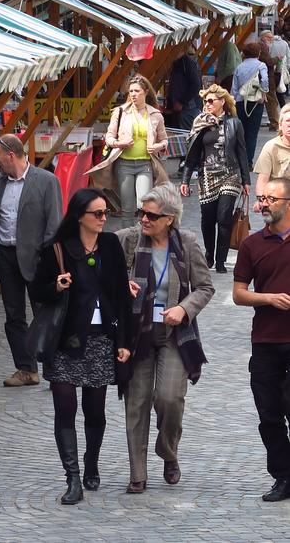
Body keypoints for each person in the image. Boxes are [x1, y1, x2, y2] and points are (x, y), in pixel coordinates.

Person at [28, 188, 134, 505]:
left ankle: (91, 462)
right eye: (97, 214)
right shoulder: (57, 249)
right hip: (66, 340)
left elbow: (120, 296)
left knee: (95, 411)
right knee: (65, 409)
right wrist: (55, 286)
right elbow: (36, 290)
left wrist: (124, 342)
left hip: (102, 339)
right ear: (80, 216)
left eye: (106, 213)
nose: (104, 219)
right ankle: (72, 477)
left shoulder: (112, 246)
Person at [115, 184, 214, 495]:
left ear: (170, 218)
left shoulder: (187, 244)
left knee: (169, 399)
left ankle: (168, 452)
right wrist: (122, 286)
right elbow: (105, 277)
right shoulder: (127, 240)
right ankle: (138, 474)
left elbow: (205, 287)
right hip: (137, 332)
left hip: (174, 333)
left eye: (151, 215)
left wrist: (184, 309)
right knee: (137, 401)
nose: (144, 219)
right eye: (141, 213)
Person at [0, 133, 62, 387]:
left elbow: (54, 223)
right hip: (6, 256)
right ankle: (27, 369)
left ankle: (54, 369)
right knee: (13, 314)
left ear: (11, 155)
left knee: (44, 313)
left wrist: (47, 258)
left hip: (37, 257)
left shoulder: (46, 181)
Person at [233, 177, 290, 502]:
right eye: (262, 198)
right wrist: (268, 299)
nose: (264, 204)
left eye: (272, 199)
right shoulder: (252, 245)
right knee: (268, 413)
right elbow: (239, 295)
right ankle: (283, 476)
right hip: (265, 341)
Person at [180, 85, 251, 272]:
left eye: (211, 100)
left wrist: (246, 180)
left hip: (230, 174)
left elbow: (241, 152)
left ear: (222, 102)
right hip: (207, 176)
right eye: (205, 101)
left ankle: (221, 260)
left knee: (224, 217)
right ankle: (209, 256)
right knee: (208, 219)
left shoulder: (234, 123)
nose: (207, 104)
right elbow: (192, 154)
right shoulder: (200, 124)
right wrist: (185, 180)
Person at [88, 75, 169, 217]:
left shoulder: (155, 115)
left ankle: (141, 237)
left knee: (143, 205)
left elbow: (165, 140)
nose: (133, 94)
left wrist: (157, 146)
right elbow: (109, 137)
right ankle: (127, 238)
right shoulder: (120, 112)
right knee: (127, 208)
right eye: (131, 91)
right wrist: (119, 143)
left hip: (145, 164)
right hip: (124, 164)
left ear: (146, 92)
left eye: (137, 91)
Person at [232, 41, 270, 162]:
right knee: (252, 133)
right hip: (256, 101)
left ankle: (239, 158)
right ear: (258, 53)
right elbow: (264, 79)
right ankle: (248, 161)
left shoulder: (239, 66)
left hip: (240, 101)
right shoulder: (261, 65)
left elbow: (234, 88)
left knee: (240, 132)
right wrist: (264, 91)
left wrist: (233, 101)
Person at [253, 104, 290, 214]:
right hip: (278, 200)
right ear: (280, 126)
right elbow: (263, 179)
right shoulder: (271, 147)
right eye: (288, 121)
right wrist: (261, 200)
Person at [166, 47, 203, 130]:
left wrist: (181, 102)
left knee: (189, 136)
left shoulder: (187, 63)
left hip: (189, 109)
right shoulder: (178, 63)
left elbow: (195, 85)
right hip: (181, 110)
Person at [260, 30, 286, 120]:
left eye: (272, 37)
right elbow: (268, 62)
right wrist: (277, 58)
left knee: (271, 101)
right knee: (272, 102)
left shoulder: (264, 46)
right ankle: (275, 123)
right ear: (263, 38)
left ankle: (274, 122)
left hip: (266, 77)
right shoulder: (263, 47)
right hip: (267, 78)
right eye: (269, 37)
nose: (271, 39)